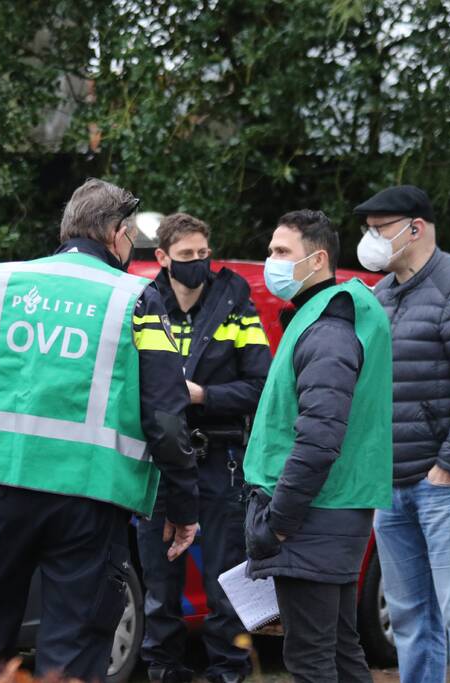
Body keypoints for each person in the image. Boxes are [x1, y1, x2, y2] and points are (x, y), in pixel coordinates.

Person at [0, 178, 200, 681]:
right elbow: (166, 415)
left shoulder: (0, 287)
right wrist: (182, 504)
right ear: (113, 233)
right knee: (73, 654)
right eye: (129, 233)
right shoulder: (136, 298)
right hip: (90, 505)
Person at [354, 185, 450, 683]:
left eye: (379, 229)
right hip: (392, 485)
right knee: (409, 620)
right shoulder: (380, 295)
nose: (370, 239)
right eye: (368, 230)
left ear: (415, 228)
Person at [242, 210, 393, 683]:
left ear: (318, 259)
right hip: (329, 512)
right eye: (271, 250)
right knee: (341, 654)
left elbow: (320, 437)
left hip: (312, 516)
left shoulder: (328, 329)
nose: (272, 261)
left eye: (282, 251)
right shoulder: (327, 317)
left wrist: (280, 522)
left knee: (311, 660)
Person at [139, 213, 271, 683]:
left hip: (220, 457)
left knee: (225, 580)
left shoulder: (236, 304)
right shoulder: (144, 303)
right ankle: (163, 669)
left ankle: (228, 672)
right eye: (186, 255)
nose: (197, 262)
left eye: (202, 253)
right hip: (160, 459)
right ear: (162, 257)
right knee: (159, 580)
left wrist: (203, 396)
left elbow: (261, 385)